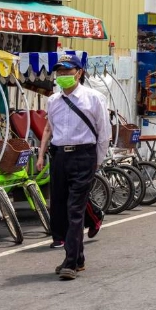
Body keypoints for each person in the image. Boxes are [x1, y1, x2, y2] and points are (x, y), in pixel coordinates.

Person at [35, 54, 111, 281]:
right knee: (59, 208)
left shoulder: (94, 98)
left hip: (84, 156)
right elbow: (50, 129)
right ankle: (78, 258)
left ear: (79, 73)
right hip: (60, 157)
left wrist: (96, 160)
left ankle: (69, 263)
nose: (63, 76)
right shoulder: (53, 101)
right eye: (60, 72)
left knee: (75, 209)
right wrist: (42, 155)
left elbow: (104, 133)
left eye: (68, 72)